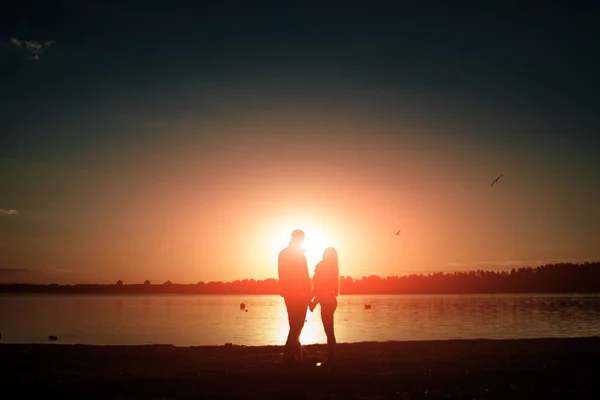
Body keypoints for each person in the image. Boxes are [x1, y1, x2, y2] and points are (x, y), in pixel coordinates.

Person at [278, 229, 312, 364]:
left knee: (295, 326)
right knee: (296, 326)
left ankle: (300, 356)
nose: (301, 241)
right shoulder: (291, 255)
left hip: (294, 295)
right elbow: (301, 276)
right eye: (300, 239)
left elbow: (305, 276)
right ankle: (290, 358)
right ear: (294, 238)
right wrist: (306, 294)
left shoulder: (289, 254)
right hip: (296, 295)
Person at [309, 247, 340, 366]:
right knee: (329, 331)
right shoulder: (333, 268)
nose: (315, 273)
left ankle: (331, 358)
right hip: (330, 301)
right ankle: (332, 356)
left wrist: (313, 302)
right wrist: (313, 300)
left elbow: (319, 288)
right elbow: (320, 288)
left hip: (327, 302)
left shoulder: (324, 267)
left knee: (329, 331)